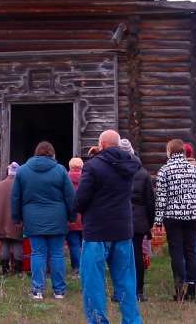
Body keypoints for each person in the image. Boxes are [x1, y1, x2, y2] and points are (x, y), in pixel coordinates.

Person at [75, 130, 142, 323]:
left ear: (101, 144)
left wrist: (76, 209)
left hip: (97, 231)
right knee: (126, 283)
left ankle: (98, 320)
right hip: (122, 230)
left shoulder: (93, 166)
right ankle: (132, 320)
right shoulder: (131, 164)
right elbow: (116, 162)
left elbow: (81, 199)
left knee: (93, 283)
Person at [11, 141, 75, 300]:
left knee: (37, 253)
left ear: (35, 153)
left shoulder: (23, 171)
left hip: (32, 218)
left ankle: (37, 290)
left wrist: (16, 217)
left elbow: (16, 197)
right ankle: (59, 291)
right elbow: (70, 196)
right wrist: (72, 216)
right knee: (57, 254)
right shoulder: (60, 170)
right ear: (52, 154)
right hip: (57, 218)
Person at [155, 139, 196, 302]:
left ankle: (179, 290)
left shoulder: (165, 170)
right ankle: (192, 290)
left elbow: (161, 197)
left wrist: (158, 220)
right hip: (192, 216)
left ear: (169, 151)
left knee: (176, 252)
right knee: (190, 251)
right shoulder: (195, 170)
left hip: (172, 216)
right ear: (183, 152)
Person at [120, 139, 155, 302]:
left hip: (118, 217)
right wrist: (150, 223)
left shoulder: (114, 170)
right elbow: (150, 201)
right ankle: (138, 291)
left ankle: (120, 292)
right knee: (136, 255)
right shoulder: (143, 173)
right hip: (139, 219)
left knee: (119, 255)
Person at [0, 162, 23, 276]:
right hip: (17, 220)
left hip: (2, 220)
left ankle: (4, 269)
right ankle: (18, 270)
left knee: (5, 244)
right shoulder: (21, 185)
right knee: (18, 243)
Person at [183, 143, 196, 285]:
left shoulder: (184, 168)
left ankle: (188, 277)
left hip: (184, 212)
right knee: (195, 247)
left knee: (187, 247)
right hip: (195, 213)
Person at [66, 157, 84, 277]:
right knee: (85, 244)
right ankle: (85, 267)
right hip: (85, 217)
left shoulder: (65, 178)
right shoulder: (87, 177)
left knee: (74, 245)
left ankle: (76, 268)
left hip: (70, 217)